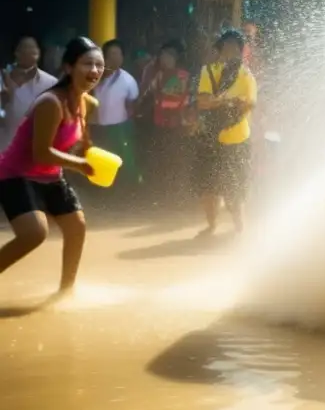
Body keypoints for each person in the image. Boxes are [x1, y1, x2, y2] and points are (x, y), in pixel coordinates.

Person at [0, 37, 104, 293]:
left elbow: (84, 141)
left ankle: (66, 291)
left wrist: (94, 159)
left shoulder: (88, 103)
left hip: (50, 176)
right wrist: (80, 165)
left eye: (99, 65)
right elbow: (41, 152)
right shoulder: (50, 102)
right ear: (68, 68)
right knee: (34, 234)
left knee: (77, 227)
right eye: (87, 64)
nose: (94, 71)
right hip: (16, 174)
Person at [195, 29, 256, 236]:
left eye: (235, 47)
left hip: (238, 139)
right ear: (220, 49)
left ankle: (240, 228)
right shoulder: (208, 71)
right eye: (226, 46)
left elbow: (249, 105)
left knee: (235, 191)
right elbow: (202, 102)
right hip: (210, 139)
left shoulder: (247, 76)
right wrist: (228, 101)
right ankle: (212, 225)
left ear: (240, 51)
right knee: (208, 189)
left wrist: (221, 103)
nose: (230, 50)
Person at [140, 40, 190, 198]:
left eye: (167, 57)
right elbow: (148, 93)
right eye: (162, 58)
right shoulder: (159, 75)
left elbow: (174, 95)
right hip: (160, 124)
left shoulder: (182, 76)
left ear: (174, 59)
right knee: (160, 159)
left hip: (177, 125)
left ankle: (176, 195)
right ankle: (162, 194)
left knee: (175, 160)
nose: (164, 60)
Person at [90, 39, 140, 187]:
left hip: (119, 128)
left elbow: (132, 105)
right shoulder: (93, 76)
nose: (115, 57)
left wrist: (128, 128)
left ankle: (123, 194)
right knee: (98, 164)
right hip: (96, 127)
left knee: (121, 163)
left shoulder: (128, 80)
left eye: (118, 54)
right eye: (111, 54)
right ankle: (99, 193)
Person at [1, 35, 58, 153]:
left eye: (34, 47)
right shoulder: (2, 78)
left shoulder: (50, 82)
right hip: (4, 148)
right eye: (25, 47)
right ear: (16, 52)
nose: (30, 51)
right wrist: (3, 103)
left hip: (33, 150)